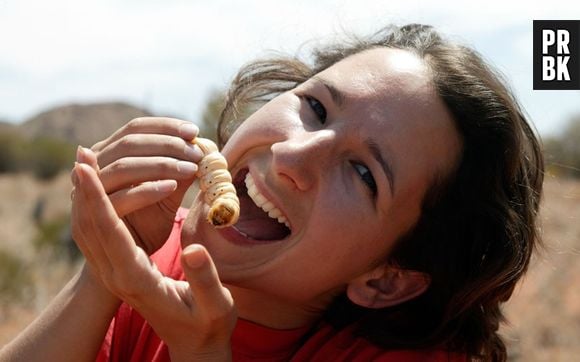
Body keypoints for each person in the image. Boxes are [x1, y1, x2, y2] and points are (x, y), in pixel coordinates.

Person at [0, 24, 543, 361]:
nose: (290, 156)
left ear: (386, 279)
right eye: (315, 107)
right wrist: (102, 274)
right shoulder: (154, 263)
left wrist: (202, 352)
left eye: (362, 173)